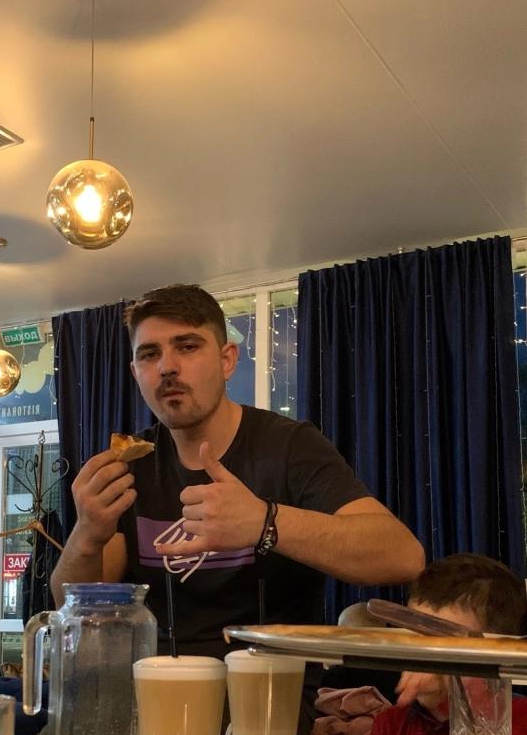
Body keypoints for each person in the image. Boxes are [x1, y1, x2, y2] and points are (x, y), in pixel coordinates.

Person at [51, 283, 424, 665]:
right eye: (149, 354)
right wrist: (87, 532)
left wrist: (266, 523)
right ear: (135, 373)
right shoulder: (132, 463)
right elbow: (71, 607)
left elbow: (402, 556)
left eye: (187, 346)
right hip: (160, 684)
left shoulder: (289, 446)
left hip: (271, 688)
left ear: (227, 360)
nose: (167, 367)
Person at [367, 553, 527, 735]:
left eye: (447, 645)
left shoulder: (521, 723)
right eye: (414, 640)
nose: (424, 657)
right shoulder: (389, 724)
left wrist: (470, 694)